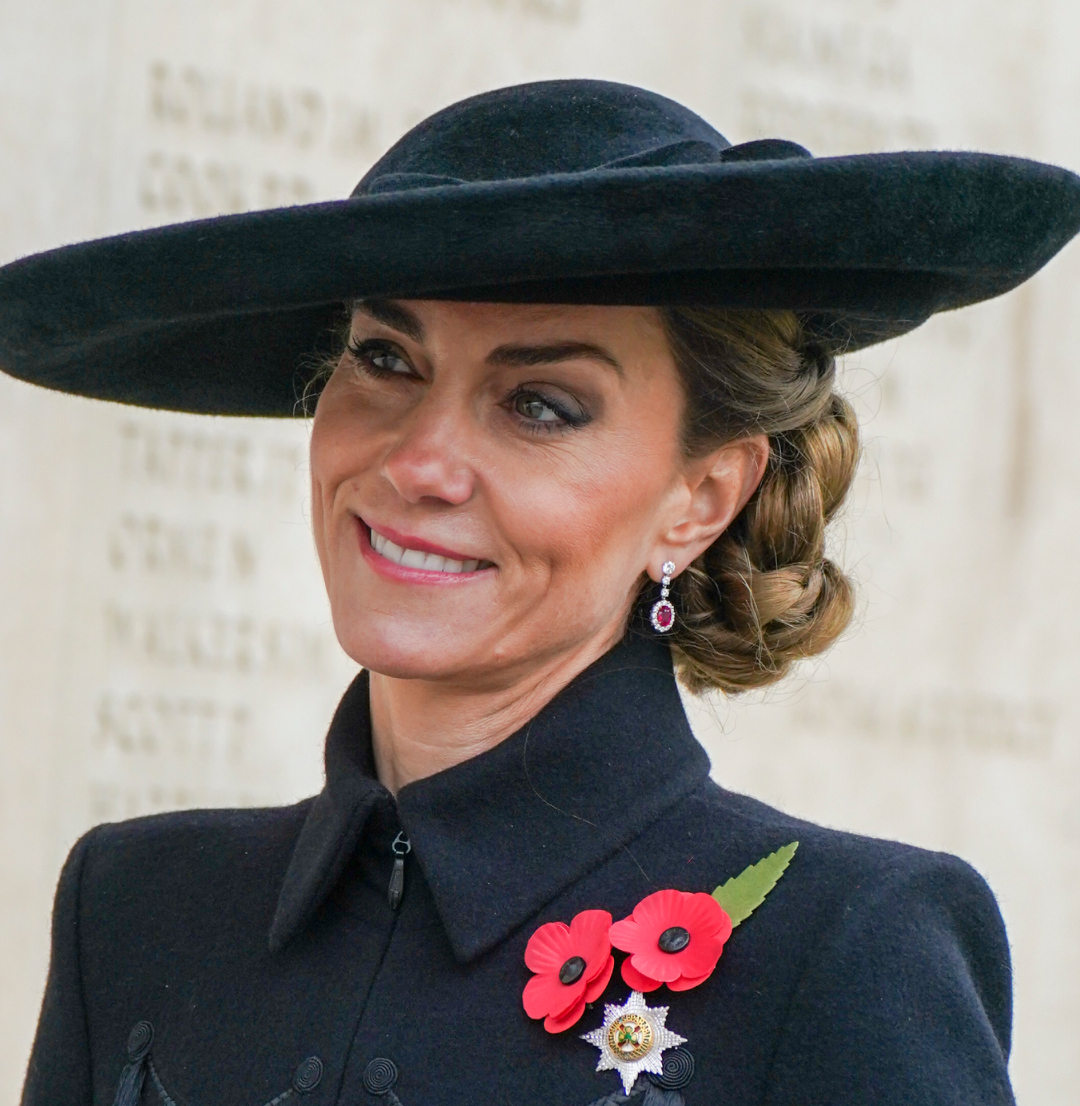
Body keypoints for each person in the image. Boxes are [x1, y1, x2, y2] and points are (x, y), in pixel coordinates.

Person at [5, 79, 1080, 1106]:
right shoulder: (134, 907)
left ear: (701, 497)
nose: (419, 462)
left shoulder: (845, 951)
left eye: (540, 405)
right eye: (385, 358)